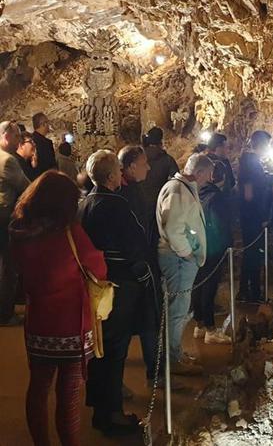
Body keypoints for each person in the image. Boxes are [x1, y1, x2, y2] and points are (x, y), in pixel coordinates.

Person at [9, 171, 107, 446]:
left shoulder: (19, 231)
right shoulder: (69, 233)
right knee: (69, 394)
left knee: (38, 389)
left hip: (39, 323)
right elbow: (97, 268)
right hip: (70, 325)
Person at [79, 150, 153, 436]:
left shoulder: (86, 203)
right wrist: (144, 273)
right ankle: (112, 414)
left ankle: (100, 407)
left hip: (96, 284)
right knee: (114, 349)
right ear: (112, 176)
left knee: (100, 348)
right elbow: (133, 245)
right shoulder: (116, 205)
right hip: (118, 286)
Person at [156, 153, 212, 374]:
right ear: (198, 173)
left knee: (178, 308)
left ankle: (174, 352)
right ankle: (172, 358)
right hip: (178, 259)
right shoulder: (178, 190)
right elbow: (173, 228)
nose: (209, 179)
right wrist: (187, 253)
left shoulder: (182, 188)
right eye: (208, 174)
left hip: (179, 258)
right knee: (177, 310)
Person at [117, 145, 162, 386]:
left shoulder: (132, 190)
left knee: (146, 322)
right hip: (133, 269)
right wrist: (141, 264)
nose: (149, 167)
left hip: (138, 265)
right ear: (131, 166)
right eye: (145, 162)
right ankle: (118, 384)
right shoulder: (125, 194)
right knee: (129, 328)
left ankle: (155, 373)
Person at [192, 161, 232, 344]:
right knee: (210, 286)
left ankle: (199, 324)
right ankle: (210, 329)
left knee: (199, 284)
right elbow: (222, 224)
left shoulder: (197, 193)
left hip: (199, 245)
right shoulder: (218, 197)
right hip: (214, 247)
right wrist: (227, 243)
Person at [237, 130, 273, 303]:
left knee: (251, 254)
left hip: (249, 216)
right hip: (252, 217)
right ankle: (252, 292)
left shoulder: (250, 162)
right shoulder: (250, 163)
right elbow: (249, 193)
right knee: (254, 254)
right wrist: (262, 217)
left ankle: (246, 290)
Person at [0, 121, 30, 326]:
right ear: (5, 135)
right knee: (8, 267)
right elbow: (25, 186)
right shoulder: (7, 161)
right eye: (17, 135)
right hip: (4, 217)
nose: (19, 140)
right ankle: (5, 313)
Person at [142, 127, 179, 242]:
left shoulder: (139, 156)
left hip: (139, 200)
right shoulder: (167, 160)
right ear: (161, 141)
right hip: (158, 202)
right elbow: (176, 180)